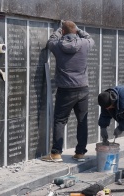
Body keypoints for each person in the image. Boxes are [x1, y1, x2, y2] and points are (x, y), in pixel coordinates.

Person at [41, 20, 94, 162]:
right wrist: (78, 29)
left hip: (65, 90)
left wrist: (59, 29)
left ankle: (56, 153)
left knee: (60, 120)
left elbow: (50, 40)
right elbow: (90, 38)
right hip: (83, 88)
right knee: (82, 121)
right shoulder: (84, 44)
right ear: (75, 31)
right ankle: (80, 152)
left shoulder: (58, 45)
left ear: (63, 32)